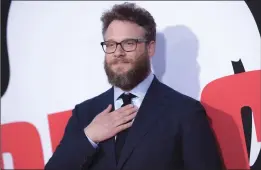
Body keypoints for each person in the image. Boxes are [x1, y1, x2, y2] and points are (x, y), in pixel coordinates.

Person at [45, 2, 223, 170]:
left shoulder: (185, 112)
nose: (118, 53)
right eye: (111, 44)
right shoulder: (84, 114)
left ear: (150, 48)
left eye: (129, 43)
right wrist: (89, 137)